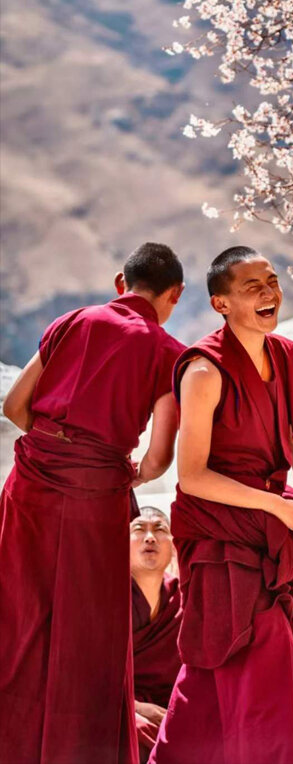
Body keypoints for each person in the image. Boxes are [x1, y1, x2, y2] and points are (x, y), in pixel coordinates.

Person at [149, 246, 293, 764]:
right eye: (252, 287)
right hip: (219, 533)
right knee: (252, 653)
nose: (268, 293)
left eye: (272, 281)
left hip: (269, 528)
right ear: (221, 303)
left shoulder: (288, 357)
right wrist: (280, 509)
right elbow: (191, 477)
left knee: (214, 677)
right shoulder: (204, 371)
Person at [0, 243, 186, 764]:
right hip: (97, 498)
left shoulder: (72, 321)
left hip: (31, 485)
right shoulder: (167, 352)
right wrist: (118, 467)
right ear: (175, 295)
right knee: (89, 633)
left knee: (17, 619)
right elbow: (158, 458)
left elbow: (15, 407)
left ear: (120, 283)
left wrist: (59, 445)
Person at [130, 507, 182, 764]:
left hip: (175, 708)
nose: (150, 537)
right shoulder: (102, 598)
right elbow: (81, 676)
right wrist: (134, 707)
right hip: (116, 707)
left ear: (173, 548)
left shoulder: (186, 599)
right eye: (139, 529)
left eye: (160, 529)